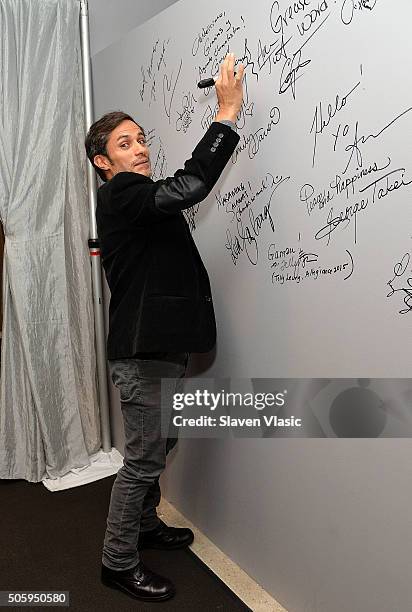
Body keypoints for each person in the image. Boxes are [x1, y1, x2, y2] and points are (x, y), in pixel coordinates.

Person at [85, 53, 244, 603]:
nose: (140, 149)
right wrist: (225, 115)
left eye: (141, 139)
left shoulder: (131, 202)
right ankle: (117, 560)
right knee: (144, 459)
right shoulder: (122, 192)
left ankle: (144, 525)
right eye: (124, 144)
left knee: (160, 442)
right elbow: (190, 185)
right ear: (103, 163)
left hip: (161, 348)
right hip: (143, 351)